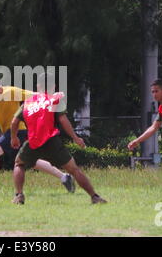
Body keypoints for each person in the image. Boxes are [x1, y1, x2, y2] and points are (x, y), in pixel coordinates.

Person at [10, 72, 107, 204]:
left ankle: (19, 195)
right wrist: (75, 138)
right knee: (74, 170)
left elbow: (14, 122)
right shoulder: (54, 100)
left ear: (38, 86)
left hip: (33, 142)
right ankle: (94, 197)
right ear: (53, 86)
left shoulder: (27, 103)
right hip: (52, 141)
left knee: (19, 164)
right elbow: (63, 120)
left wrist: (14, 138)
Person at [0, 76, 75, 196]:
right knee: (33, 161)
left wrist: (53, 96)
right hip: (11, 133)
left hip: (18, 131)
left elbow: (35, 95)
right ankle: (64, 177)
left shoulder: (10, 92)